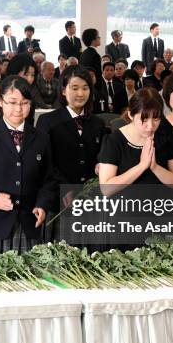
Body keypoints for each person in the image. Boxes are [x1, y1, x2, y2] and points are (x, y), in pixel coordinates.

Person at [0, 76, 55, 253]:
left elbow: (49, 180)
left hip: (30, 225)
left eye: (24, 103)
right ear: (0, 101)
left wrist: (42, 204)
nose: (18, 109)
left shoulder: (41, 138)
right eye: (12, 102)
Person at [36, 67, 108, 238]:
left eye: (85, 88)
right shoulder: (47, 121)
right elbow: (45, 163)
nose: (80, 93)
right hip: (59, 201)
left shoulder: (98, 123)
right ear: (63, 90)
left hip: (90, 200)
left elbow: (101, 157)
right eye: (74, 88)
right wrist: (65, 189)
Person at [98, 87, 173, 188]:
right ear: (131, 115)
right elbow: (106, 188)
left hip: (162, 202)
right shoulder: (114, 141)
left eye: (156, 119)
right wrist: (142, 166)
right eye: (144, 119)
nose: (151, 126)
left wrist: (155, 167)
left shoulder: (164, 136)